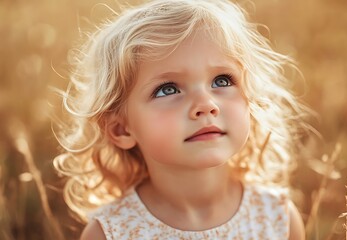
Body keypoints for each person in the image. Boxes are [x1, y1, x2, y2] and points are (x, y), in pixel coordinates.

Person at [53, 0, 308, 239]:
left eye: (222, 81)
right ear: (122, 129)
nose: (206, 105)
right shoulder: (112, 232)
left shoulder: (277, 218)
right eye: (168, 89)